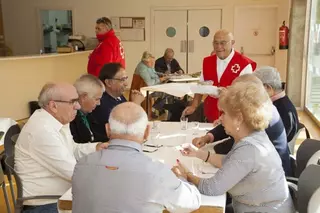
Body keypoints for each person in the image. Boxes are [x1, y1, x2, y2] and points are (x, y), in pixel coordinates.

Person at [173, 81, 295, 213]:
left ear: (239, 118)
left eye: (224, 113)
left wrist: (186, 175)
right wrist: (198, 153)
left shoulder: (249, 149)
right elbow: (230, 162)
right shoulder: (254, 135)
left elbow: (211, 188)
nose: (220, 119)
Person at [72, 102, 201, 213]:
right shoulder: (156, 172)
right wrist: (182, 177)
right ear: (146, 132)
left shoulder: (82, 165)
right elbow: (192, 202)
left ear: (107, 129)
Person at [14, 83, 109, 213]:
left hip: (63, 196)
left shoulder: (57, 121)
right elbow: (75, 173)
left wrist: (96, 148)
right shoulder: (42, 131)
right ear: (53, 106)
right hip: (44, 204)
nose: (78, 106)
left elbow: (72, 149)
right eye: (73, 101)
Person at [192, 74, 292, 176]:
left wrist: (209, 153)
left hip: (272, 177)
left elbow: (235, 150)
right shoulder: (259, 107)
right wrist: (208, 137)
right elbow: (232, 123)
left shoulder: (260, 115)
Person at [182, 29, 257, 123]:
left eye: (223, 43)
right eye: (216, 43)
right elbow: (201, 86)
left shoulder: (244, 64)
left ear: (232, 43)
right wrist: (194, 106)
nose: (219, 46)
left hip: (232, 117)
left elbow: (245, 93)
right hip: (210, 114)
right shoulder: (207, 61)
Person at [90, 63, 145, 141]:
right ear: (108, 82)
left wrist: (131, 104)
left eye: (126, 78)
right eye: (122, 80)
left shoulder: (118, 96)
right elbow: (125, 128)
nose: (126, 84)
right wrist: (135, 104)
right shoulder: (101, 102)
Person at [254, 66, 299, 142]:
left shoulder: (284, 110)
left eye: (256, 88)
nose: (254, 92)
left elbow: (279, 140)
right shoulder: (280, 102)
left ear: (268, 88)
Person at [70, 74, 106, 143]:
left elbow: (94, 136)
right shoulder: (70, 119)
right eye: (97, 99)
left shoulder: (88, 114)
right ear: (84, 97)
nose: (99, 103)